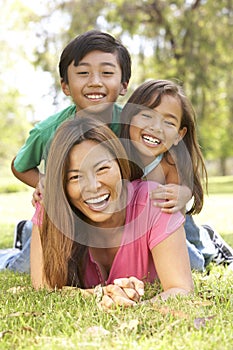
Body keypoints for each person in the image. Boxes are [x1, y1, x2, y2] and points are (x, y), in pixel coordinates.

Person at [1, 29, 131, 273]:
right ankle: (21, 241)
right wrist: (45, 181)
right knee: (24, 266)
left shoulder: (133, 126)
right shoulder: (48, 130)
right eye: (83, 73)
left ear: (124, 84)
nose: (95, 81)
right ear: (65, 86)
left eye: (107, 73)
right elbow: (19, 166)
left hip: (116, 217)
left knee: (188, 253)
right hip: (67, 217)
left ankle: (205, 241)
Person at [30, 117, 193, 308]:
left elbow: (180, 289)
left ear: (120, 165)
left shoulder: (155, 201)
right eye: (74, 177)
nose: (92, 186)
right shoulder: (52, 207)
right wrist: (102, 294)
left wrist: (133, 308)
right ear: (61, 186)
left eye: (102, 169)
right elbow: (44, 288)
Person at [120, 79, 233, 271]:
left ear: (179, 135)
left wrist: (183, 194)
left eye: (168, 122)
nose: (156, 127)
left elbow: (176, 217)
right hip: (140, 228)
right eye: (147, 115)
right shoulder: (117, 157)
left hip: (174, 223)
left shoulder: (170, 163)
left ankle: (210, 243)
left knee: (196, 263)